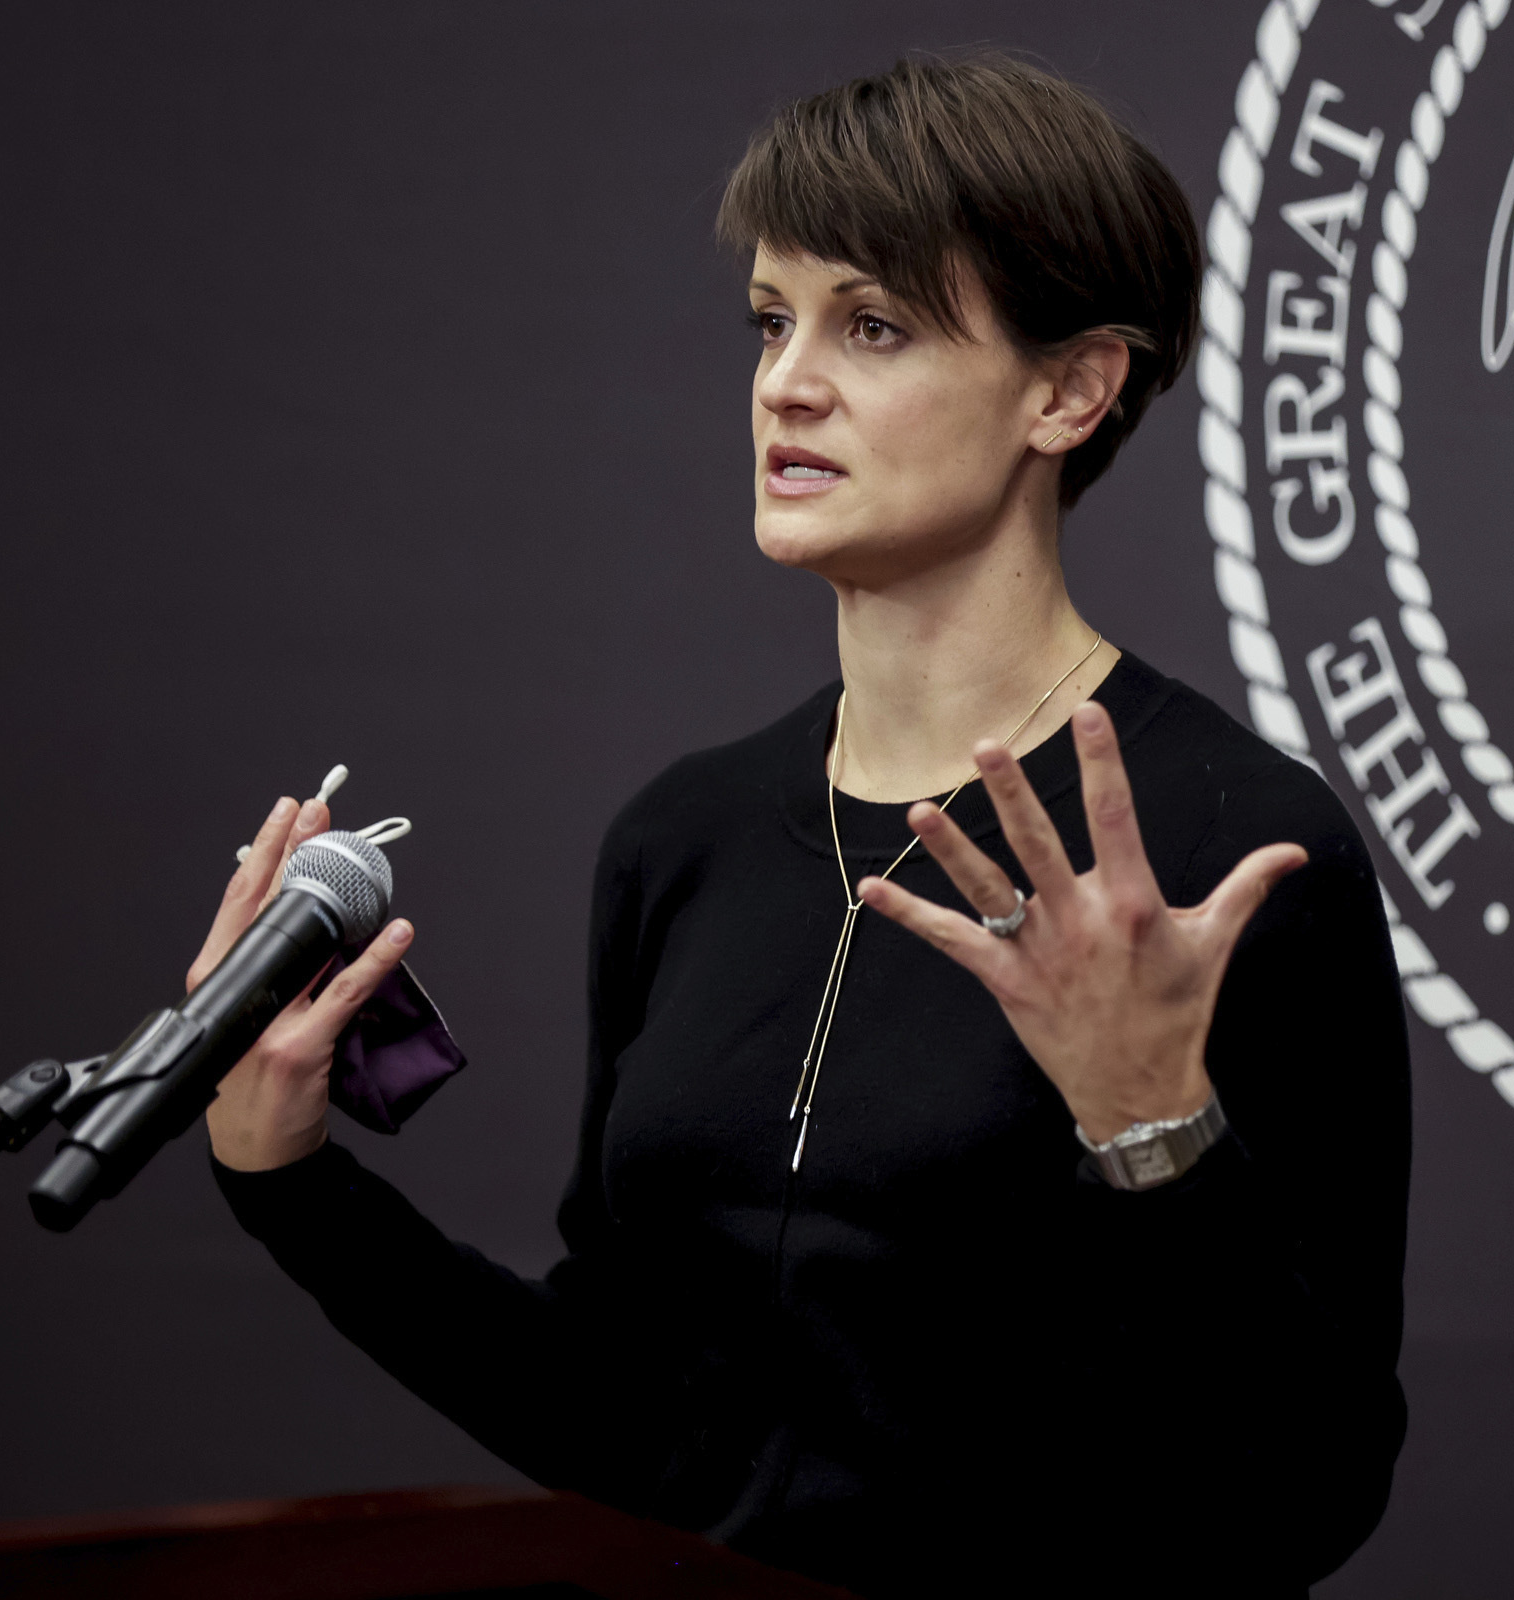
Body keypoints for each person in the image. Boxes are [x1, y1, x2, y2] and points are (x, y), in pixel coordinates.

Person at [198, 54, 1409, 1599]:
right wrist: (290, 1180)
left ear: (1071, 388)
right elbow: (630, 1419)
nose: (787, 380)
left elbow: (1309, 1490)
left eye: (875, 326)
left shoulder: (1236, 840)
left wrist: (1149, 1122)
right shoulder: (684, 839)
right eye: (774, 321)